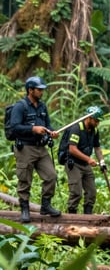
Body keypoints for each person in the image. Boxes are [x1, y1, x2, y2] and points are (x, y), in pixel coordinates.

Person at [9, 76, 62, 222]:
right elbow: (15, 128)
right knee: (25, 180)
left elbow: (48, 125)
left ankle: (46, 206)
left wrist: (52, 132)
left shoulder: (42, 106)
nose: (41, 92)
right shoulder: (20, 106)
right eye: (39, 89)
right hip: (25, 148)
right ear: (30, 90)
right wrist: (33, 129)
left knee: (51, 176)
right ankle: (25, 210)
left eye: (42, 89)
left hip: (41, 148)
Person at [64, 105, 105, 214]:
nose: (97, 123)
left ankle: (88, 216)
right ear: (89, 118)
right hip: (74, 164)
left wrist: (102, 162)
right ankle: (72, 216)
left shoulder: (94, 131)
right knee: (76, 192)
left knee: (91, 192)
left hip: (85, 165)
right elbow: (72, 149)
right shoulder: (76, 129)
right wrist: (88, 159)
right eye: (96, 121)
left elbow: (97, 147)